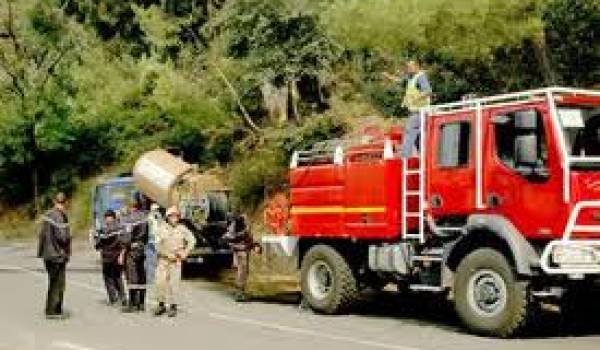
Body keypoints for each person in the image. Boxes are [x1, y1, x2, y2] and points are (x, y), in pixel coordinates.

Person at [383, 59, 433, 158]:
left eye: (411, 67)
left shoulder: (420, 77)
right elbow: (400, 81)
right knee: (418, 137)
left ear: (417, 66)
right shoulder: (411, 78)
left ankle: (405, 156)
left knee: (409, 131)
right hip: (416, 112)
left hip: (420, 111)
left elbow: (428, 91)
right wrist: (389, 77)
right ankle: (424, 157)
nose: (408, 69)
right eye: (408, 67)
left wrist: (415, 98)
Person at [154, 206, 196, 317]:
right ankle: (161, 304)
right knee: (160, 283)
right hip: (163, 260)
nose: (174, 218)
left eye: (176, 216)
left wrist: (185, 252)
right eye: (172, 216)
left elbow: (192, 240)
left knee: (174, 285)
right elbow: (156, 244)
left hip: (176, 261)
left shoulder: (182, 229)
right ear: (167, 217)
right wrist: (165, 253)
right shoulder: (161, 228)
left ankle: (173, 306)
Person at [37, 192, 71, 319]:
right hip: (57, 254)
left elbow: (41, 235)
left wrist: (42, 251)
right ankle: (54, 311)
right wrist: (69, 238)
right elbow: (62, 237)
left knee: (53, 282)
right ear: (65, 202)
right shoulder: (59, 216)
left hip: (48, 254)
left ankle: (51, 309)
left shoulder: (47, 215)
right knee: (58, 283)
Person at [223, 212, 259, 302]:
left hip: (239, 251)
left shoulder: (234, 227)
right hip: (241, 251)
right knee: (242, 272)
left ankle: (239, 292)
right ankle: (240, 293)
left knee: (241, 271)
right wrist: (253, 245)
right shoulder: (240, 228)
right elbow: (247, 239)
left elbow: (228, 239)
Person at [94, 210, 126, 307]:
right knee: (118, 277)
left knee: (108, 278)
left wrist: (97, 236)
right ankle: (122, 297)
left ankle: (113, 299)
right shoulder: (121, 228)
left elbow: (98, 245)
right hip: (117, 256)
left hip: (107, 257)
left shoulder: (104, 230)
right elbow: (124, 242)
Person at [121, 200, 148, 313]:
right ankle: (142, 303)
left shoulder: (129, 219)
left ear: (131, 207)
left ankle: (133, 304)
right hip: (142, 248)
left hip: (132, 249)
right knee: (141, 274)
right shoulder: (145, 218)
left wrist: (124, 243)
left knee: (132, 275)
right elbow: (147, 235)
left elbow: (126, 237)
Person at [145, 203, 162, 286]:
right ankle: (149, 279)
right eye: (155, 210)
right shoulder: (149, 218)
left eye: (157, 210)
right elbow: (149, 229)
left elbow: (161, 228)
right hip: (150, 241)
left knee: (155, 261)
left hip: (157, 241)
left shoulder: (158, 217)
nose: (157, 211)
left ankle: (154, 278)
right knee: (150, 260)